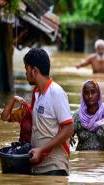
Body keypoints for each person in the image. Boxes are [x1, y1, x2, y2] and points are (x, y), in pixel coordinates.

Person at [6, 48, 74, 176]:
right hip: (37, 166)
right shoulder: (36, 93)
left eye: (26, 69)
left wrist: (42, 149)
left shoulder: (56, 92)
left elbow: (69, 128)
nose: (25, 73)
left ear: (34, 71)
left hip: (55, 167)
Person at [72, 80, 104, 152]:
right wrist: (67, 137)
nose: (90, 96)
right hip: (83, 161)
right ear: (83, 95)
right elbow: (66, 135)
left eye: (93, 92)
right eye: (86, 93)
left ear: (98, 94)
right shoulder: (77, 116)